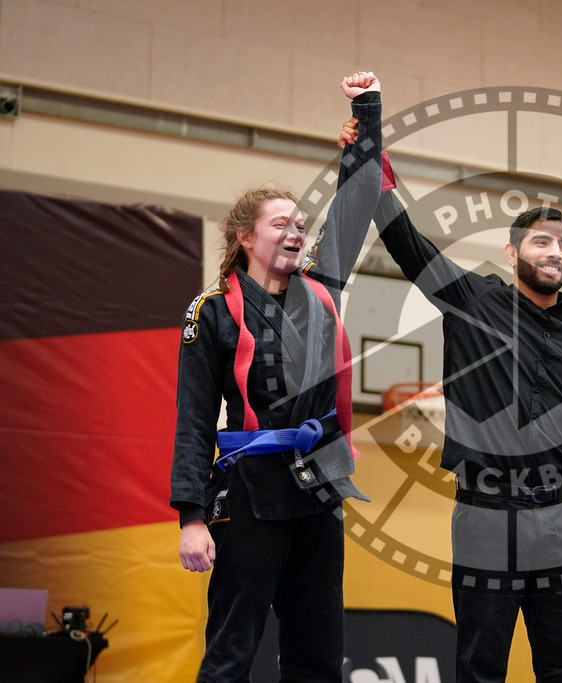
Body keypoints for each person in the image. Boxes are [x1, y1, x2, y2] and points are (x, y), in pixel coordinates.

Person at [339, 120, 562, 681]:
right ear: (512, 251)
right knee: (480, 668)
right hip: (484, 518)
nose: (556, 253)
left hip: (561, 522)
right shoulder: (471, 300)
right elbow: (407, 243)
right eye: (542, 242)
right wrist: (371, 161)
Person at [170, 71, 384, 682]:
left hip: (320, 486)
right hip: (249, 492)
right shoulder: (211, 310)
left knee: (317, 654)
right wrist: (190, 516)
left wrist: (365, 114)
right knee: (232, 651)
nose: (297, 232)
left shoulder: (323, 287)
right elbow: (192, 418)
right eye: (280, 224)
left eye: (300, 224)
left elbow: (360, 196)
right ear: (244, 239)